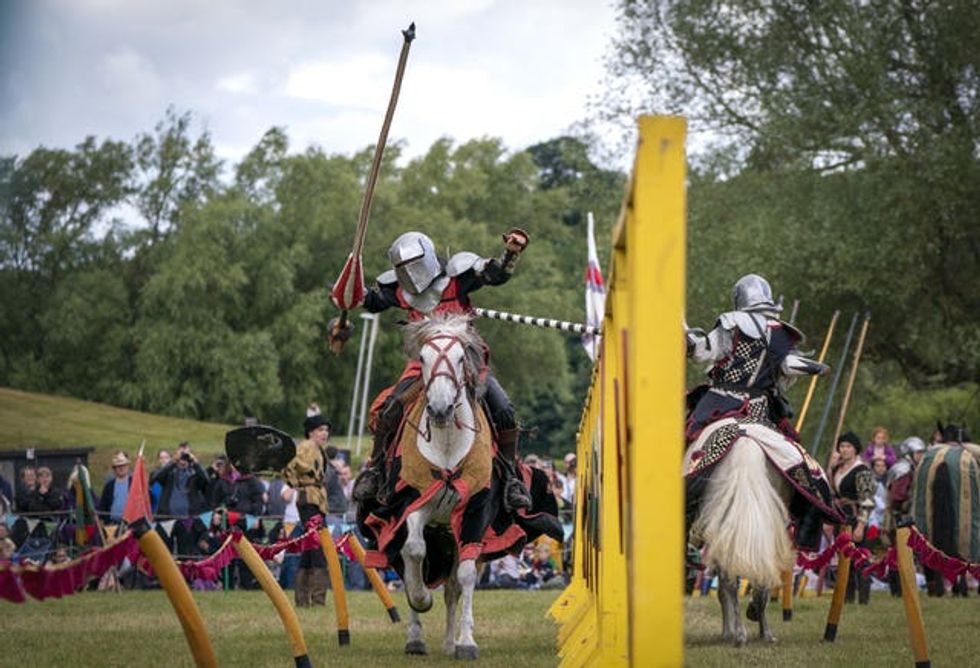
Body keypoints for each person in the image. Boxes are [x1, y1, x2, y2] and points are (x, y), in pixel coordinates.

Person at [347, 228, 533, 514]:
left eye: (414, 265)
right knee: (390, 408)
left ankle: (510, 479)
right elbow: (368, 302)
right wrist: (349, 286)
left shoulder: (458, 279)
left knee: (504, 409)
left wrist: (510, 254)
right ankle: (376, 471)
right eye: (404, 269)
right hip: (422, 367)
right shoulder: (398, 290)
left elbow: (494, 275)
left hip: (467, 362)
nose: (411, 273)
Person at [684, 274, 837, 552]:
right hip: (761, 413)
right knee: (806, 467)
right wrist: (814, 366)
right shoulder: (781, 333)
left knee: (680, 446)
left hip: (720, 406)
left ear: (739, 299)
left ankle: (680, 529)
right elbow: (789, 365)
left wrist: (689, 341)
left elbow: (704, 352)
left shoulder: (730, 323)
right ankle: (803, 526)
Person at [282, 406, 332, 607]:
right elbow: (288, 466)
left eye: (326, 430)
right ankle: (318, 600)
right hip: (308, 499)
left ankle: (303, 600)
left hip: (316, 499)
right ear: (311, 432)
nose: (325, 433)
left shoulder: (318, 449)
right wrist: (296, 484)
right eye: (320, 429)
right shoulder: (305, 447)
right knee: (317, 549)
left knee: (310, 551)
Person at [831, 431, 876, 604]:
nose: (844, 449)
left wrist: (861, 525)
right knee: (844, 559)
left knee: (861, 559)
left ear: (855, 449)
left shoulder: (862, 470)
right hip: (841, 518)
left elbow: (867, 500)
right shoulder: (837, 469)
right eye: (842, 446)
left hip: (857, 518)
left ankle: (864, 598)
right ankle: (847, 597)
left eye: (848, 446)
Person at [884, 435, 927, 595]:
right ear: (909, 453)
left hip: (899, 516)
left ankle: (898, 589)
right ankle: (897, 589)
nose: (920, 456)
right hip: (899, 517)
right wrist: (909, 504)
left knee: (900, 553)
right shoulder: (904, 469)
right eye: (918, 453)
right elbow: (898, 496)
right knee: (900, 553)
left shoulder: (906, 467)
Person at [151, 442, 211, 518]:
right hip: (168, 516)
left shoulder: (194, 473)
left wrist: (195, 463)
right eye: (181, 454)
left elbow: (206, 480)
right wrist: (173, 461)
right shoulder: (170, 472)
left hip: (189, 517)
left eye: (186, 455)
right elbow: (156, 477)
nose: (183, 457)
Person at [98, 452, 132, 525]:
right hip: (112, 525)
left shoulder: (134, 483)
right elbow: (103, 506)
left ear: (127, 466)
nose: (121, 468)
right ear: (114, 469)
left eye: (123, 465)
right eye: (118, 466)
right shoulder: (109, 486)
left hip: (130, 525)